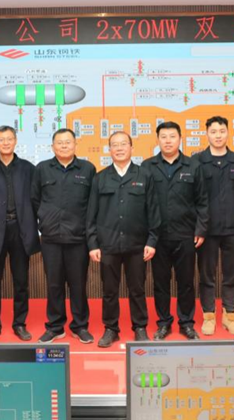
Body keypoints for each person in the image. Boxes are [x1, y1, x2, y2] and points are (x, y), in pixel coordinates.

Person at [87, 131, 161, 348]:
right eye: (115, 145)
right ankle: (111, 329)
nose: (119, 148)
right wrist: (92, 244)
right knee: (109, 290)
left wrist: (152, 241)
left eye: (123, 144)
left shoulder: (144, 175)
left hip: (137, 245)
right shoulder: (100, 178)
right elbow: (91, 214)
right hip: (108, 244)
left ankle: (140, 327)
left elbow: (153, 211)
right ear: (109, 149)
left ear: (131, 147)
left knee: (137, 289)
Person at [143, 121, 208, 341]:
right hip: (158, 237)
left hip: (185, 234)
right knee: (160, 283)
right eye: (163, 137)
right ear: (157, 140)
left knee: (186, 282)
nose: (168, 141)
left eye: (172, 136)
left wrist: (201, 229)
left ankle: (186, 323)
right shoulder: (148, 166)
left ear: (180, 139)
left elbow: (202, 201)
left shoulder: (193, 165)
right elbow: (142, 203)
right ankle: (163, 323)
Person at [31, 128, 96, 344]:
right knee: (54, 285)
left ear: (75, 144)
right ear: (52, 146)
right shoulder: (42, 169)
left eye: (68, 142)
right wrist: (44, 219)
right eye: (59, 142)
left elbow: (93, 203)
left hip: (78, 238)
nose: (64, 145)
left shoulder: (87, 169)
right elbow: (35, 199)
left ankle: (80, 326)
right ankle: (55, 326)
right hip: (51, 238)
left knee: (78, 285)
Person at [0, 126, 40, 342]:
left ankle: (19, 323)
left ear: (15, 141)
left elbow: (35, 200)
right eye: (1, 139)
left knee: (21, 281)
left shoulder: (28, 168)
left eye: (9, 139)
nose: (5, 143)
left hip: (20, 230)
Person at [193, 116, 234, 336]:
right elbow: (194, 196)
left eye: (222, 131)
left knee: (231, 275)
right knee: (206, 276)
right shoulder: (197, 161)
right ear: (207, 134)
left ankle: (229, 316)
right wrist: (199, 226)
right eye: (213, 131)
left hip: (233, 229)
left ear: (228, 133)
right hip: (206, 230)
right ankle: (208, 316)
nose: (218, 135)